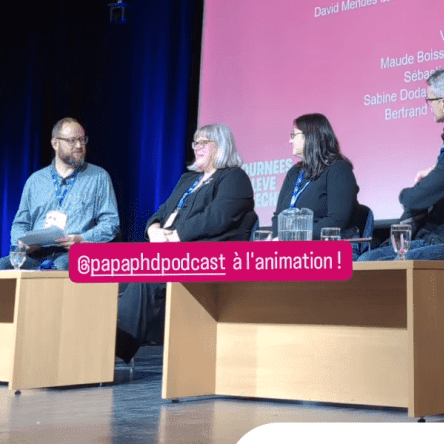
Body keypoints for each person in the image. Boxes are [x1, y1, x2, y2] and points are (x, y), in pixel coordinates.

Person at [115, 123, 255, 362]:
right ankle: (97, 339)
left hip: (203, 257)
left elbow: (218, 217)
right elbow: (162, 211)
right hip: (166, 251)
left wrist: (176, 236)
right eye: (195, 143)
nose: (197, 148)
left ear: (220, 147)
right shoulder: (187, 179)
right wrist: (154, 228)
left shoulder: (234, 177)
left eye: (203, 143)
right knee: (117, 273)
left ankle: (115, 346)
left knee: (146, 278)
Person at [359, 67, 444, 261]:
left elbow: (414, 199)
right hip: (432, 237)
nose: (429, 105)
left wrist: (409, 190)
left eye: (430, 100)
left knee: (369, 263)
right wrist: (442, 173)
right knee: (366, 260)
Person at [1, 118, 119, 270]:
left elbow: (111, 223)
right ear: (55, 143)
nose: (79, 146)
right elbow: (20, 223)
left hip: (73, 254)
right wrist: (23, 244)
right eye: (72, 141)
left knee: (58, 268)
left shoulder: (98, 177)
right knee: (3, 265)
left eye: (82, 140)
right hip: (35, 254)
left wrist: (82, 239)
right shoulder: (35, 180)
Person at [272, 113, 360, 239]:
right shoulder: (294, 172)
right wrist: (277, 240)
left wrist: (297, 238)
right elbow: (278, 216)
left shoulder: (338, 169)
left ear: (310, 137)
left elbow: (337, 220)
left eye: (294, 135)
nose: (290, 140)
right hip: (292, 247)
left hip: (327, 246)